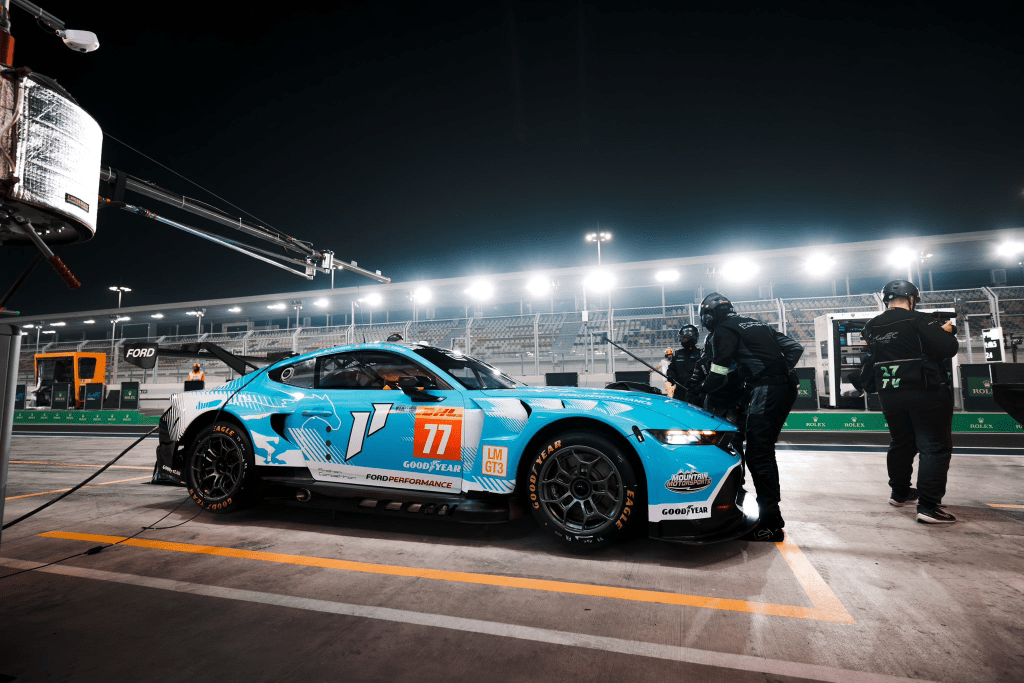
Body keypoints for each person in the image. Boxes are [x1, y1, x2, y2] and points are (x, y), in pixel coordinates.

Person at [697, 292, 803, 541]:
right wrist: (778, 371)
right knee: (760, 450)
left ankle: (770, 523)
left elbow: (719, 372)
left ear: (710, 316)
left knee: (759, 454)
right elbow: (794, 348)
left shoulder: (724, 330)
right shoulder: (756, 323)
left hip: (767, 390)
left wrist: (699, 389)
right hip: (784, 387)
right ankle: (768, 516)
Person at [857, 280, 959, 524]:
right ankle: (929, 506)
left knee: (902, 442)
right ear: (912, 299)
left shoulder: (871, 325)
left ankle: (899, 492)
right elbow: (948, 349)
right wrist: (946, 332)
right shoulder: (919, 320)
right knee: (934, 446)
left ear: (887, 299)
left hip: (889, 393)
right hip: (924, 391)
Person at [665, 324, 702, 400]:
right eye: (681, 338)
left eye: (684, 338)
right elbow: (670, 369)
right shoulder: (677, 354)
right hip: (679, 392)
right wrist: (671, 375)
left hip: (696, 393)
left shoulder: (701, 354)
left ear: (691, 337)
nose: (681, 340)